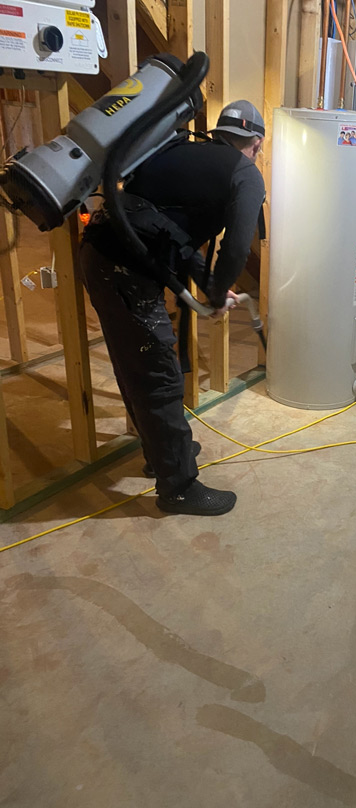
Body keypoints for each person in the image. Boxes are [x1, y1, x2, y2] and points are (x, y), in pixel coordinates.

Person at [80, 100, 266, 517]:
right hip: (127, 269)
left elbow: (170, 236)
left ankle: (161, 455)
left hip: (101, 255)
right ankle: (178, 487)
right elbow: (236, 248)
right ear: (255, 142)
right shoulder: (244, 174)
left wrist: (214, 290)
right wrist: (217, 294)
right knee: (158, 373)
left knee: (137, 367)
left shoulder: (177, 148)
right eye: (257, 149)